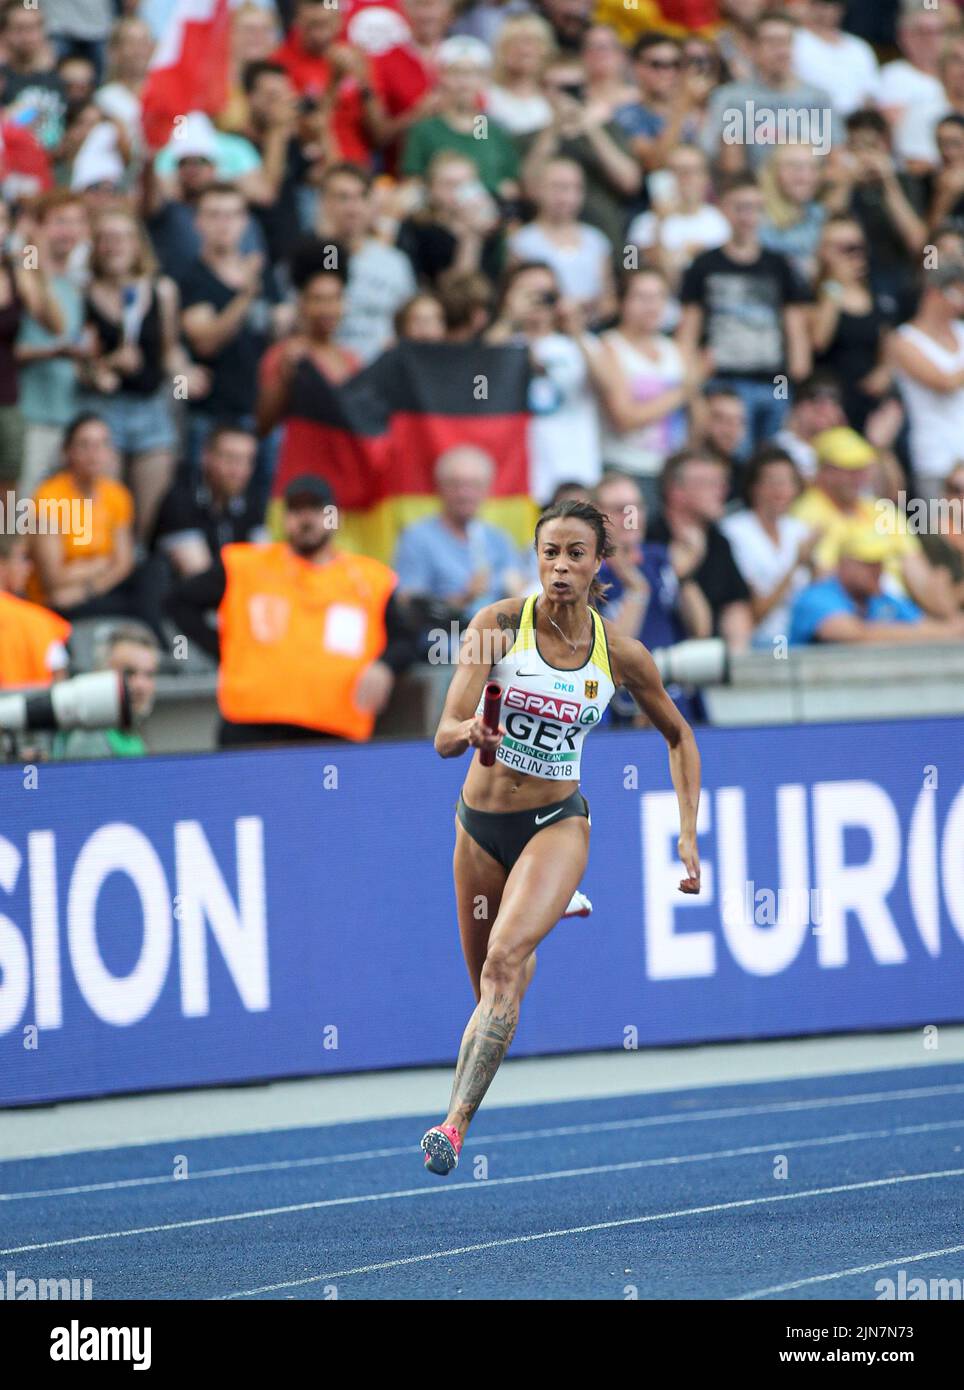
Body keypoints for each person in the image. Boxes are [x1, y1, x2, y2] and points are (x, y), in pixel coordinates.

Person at [422, 497, 701, 1174]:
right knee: (490, 990)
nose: (561, 567)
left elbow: (680, 736)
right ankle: (543, 902)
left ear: (598, 562)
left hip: (556, 823)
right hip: (480, 828)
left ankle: (453, 1125)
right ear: (536, 558)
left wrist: (687, 835)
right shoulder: (496, 625)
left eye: (576, 554)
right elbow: (441, 738)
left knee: (502, 965)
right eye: (550, 553)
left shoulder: (621, 654)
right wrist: (472, 733)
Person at [165, 474, 417, 748]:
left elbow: (405, 639)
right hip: (252, 726)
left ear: (337, 517)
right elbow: (179, 602)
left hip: (333, 731)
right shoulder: (246, 565)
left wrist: (385, 666)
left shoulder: (371, 579)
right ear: (284, 519)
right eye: (296, 510)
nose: (306, 519)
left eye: (317, 510)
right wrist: (225, 648)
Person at [677, 173, 812, 459]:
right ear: (724, 210)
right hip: (723, 380)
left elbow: (794, 322)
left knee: (771, 459)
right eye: (740, 207)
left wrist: (798, 372)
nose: (748, 217)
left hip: (773, 380)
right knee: (731, 458)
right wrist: (691, 380)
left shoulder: (779, 264)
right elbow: (688, 328)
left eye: (755, 208)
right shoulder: (704, 264)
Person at [76, 208, 189, 539]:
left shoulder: (162, 291)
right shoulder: (83, 293)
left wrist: (185, 376)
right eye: (107, 238)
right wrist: (107, 365)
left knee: (149, 520)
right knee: (106, 516)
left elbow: (170, 352)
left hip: (152, 410)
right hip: (103, 412)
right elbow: (82, 361)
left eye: (123, 237)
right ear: (96, 246)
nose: (115, 246)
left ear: (138, 244)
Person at [790, 425, 953, 616]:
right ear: (825, 471)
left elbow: (916, 569)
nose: (858, 477)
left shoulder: (880, 509)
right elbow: (823, 580)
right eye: (849, 469)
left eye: (862, 468)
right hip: (847, 612)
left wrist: (946, 617)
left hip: (898, 608)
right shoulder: (805, 513)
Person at [594, 471, 710, 726]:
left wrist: (685, 576)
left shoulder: (659, 559)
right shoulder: (588, 575)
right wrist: (637, 591)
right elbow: (612, 650)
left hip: (675, 698)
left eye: (637, 507)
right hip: (623, 708)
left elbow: (701, 628)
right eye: (620, 509)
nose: (631, 517)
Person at [485, 259, 602, 503]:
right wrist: (509, 320)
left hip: (575, 478)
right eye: (528, 294)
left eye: (547, 294)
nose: (538, 301)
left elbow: (612, 392)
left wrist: (576, 329)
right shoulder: (501, 343)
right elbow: (476, 385)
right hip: (514, 482)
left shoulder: (581, 344)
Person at [26, 412, 148, 629]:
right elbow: (53, 578)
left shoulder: (117, 494)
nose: (95, 454)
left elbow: (124, 563)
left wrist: (87, 588)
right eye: (85, 445)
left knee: (155, 572)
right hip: (55, 603)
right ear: (68, 452)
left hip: (86, 593)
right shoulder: (49, 496)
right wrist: (103, 563)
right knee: (140, 602)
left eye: (102, 445)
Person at [595, 268, 698, 511]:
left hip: (671, 473)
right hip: (627, 467)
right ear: (622, 302)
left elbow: (697, 416)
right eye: (641, 297)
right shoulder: (610, 347)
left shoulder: (674, 349)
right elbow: (625, 417)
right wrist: (681, 392)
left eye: (659, 297)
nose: (651, 306)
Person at [394, 445, 521, 632]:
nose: (465, 494)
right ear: (439, 488)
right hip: (440, 651)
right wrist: (463, 598)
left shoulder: (499, 540)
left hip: (498, 650)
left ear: (487, 489)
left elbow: (518, 594)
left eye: (474, 485)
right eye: (456, 485)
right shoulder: (417, 539)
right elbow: (407, 606)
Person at [14, 189, 89, 498]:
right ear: (37, 226)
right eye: (60, 221)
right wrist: (56, 351)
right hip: (27, 418)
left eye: (76, 222)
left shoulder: (75, 286)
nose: (69, 231)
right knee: (16, 519)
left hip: (68, 421)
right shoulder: (19, 276)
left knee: (58, 525)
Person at [702, 10, 840, 175]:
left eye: (786, 42)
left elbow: (834, 164)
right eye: (771, 42)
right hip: (754, 193)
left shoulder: (819, 98)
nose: (781, 51)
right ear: (752, 49)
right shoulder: (732, 98)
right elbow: (732, 169)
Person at [647, 448, 754, 649]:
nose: (721, 492)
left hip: (709, 661)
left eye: (722, 483)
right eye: (709, 484)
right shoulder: (649, 539)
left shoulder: (719, 541)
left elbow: (735, 607)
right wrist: (682, 573)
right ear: (676, 492)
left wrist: (735, 661)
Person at [315, 162, 417, 362]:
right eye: (343, 198)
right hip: (329, 375)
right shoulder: (311, 259)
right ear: (324, 203)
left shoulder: (395, 262)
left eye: (361, 197)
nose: (353, 208)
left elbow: (410, 322)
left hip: (384, 374)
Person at [789, 531, 964, 645]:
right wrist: (938, 632)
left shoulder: (881, 599)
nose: (877, 570)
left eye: (880, 562)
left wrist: (946, 624)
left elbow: (926, 625)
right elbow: (852, 634)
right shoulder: (816, 596)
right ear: (844, 564)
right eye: (868, 563)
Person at [719, 445, 817, 648]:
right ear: (754, 487)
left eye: (788, 482)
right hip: (759, 643)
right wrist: (795, 565)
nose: (781, 491)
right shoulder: (734, 531)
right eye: (772, 482)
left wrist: (814, 565)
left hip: (805, 640)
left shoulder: (800, 530)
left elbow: (815, 596)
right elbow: (755, 611)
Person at [401, 36, 520, 198]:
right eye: (456, 72)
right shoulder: (427, 130)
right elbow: (412, 182)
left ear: (483, 79)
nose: (464, 82)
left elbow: (508, 181)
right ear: (441, 77)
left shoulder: (487, 128)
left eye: (472, 73)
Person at [809, 215, 896, 435]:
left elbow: (888, 344)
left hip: (869, 400)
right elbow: (819, 341)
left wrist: (884, 372)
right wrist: (835, 285)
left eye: (857, 247)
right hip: (828, 402)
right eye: (842, 248)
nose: (853, 255)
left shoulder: (877, 293)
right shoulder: (813, 292)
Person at [888, 262, 964, 499]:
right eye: (957, 292)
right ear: (933, 292)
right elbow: (945, 383)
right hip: (934, 458)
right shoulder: (903, 339)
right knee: (940, 533)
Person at [151, 424, 265, 580]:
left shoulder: (253, 499)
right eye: (231, 459)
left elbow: (265, 566)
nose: (239, 470)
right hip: (181, 598)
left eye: (247, 461)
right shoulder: (180, 499)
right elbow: (199, 577)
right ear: (206, 456)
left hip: (231, 593)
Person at [508, 156, 615, 322]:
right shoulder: (522, 241)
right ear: (538, 190)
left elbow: (609, 302)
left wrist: (586, 307)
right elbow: (512, 301)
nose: (567, 196)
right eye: (558, 187)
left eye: (576, 188)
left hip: (590, 331)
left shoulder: (596, 240)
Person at [396, 150, 504, 287]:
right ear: (431, 188)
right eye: (449, 184)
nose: (459, 192)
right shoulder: (417, 229)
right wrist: (470, 238)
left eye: (466, 184)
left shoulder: (490, 231)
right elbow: (455, 291)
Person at [52, 624, 159, 760]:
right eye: (128, 673)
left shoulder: (128, 733)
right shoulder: (89, 738)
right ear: (101, 674)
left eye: (149, 675)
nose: (141, 685)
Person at [0, 533, 70, 689]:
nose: (29, 568)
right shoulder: (43, 622)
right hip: (34, 711)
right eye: (22, 558)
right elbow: (61, 690)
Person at [791, 0, 879, 119]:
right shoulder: (794, 41)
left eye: (834, 4)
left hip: (854, 123)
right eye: (821, 4)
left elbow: (870, 95)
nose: (828, 10)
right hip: (809, 118)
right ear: (809, 5)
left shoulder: (860, 47)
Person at [485, 12, 555, 138]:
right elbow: (478, 139)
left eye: (532, 42)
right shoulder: (486, 97)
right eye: (515, 42)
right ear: (502, 50)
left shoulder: (553, 101)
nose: (524, 50)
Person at [919, 462, 964, 611]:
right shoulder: (934, 538)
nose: (962, 496)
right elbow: (942, 601)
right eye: (956, 489)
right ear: (944, 496)